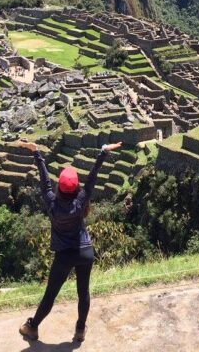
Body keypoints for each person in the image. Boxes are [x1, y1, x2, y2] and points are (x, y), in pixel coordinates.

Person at [18, 140, 123, 343]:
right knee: (83, 291)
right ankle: (80, 330)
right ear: (76, 188)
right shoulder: (80, 201)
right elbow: (92, 178)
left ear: (60, 187)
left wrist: (37, 153)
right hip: (85, 251)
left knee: (50, 295)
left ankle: (32, 327)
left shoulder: (52, 203)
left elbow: (44, 181)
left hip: (64, 255)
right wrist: (102, 152)